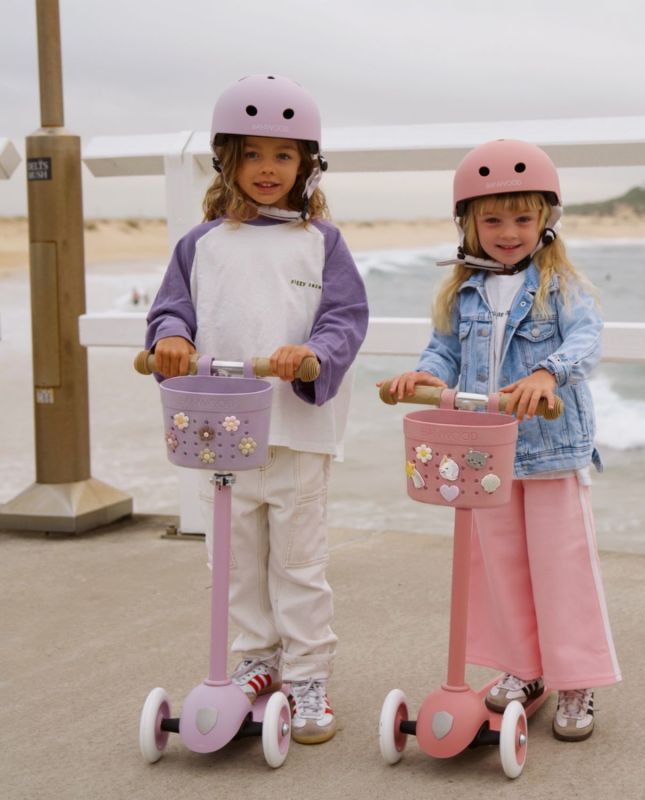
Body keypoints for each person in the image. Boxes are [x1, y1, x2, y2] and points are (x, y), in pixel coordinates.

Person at [145, 74, 369, 745]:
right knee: (235, 561)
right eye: (251, 154)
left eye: (282, 155)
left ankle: (306, 673)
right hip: (221, 432)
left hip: (297, 432)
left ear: (306, 165)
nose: (266, 169)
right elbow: (170, 309)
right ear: (226, 162)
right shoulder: (201, 244)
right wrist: (170, 337)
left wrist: (314, 356)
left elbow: (346, 317)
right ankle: (255, 660)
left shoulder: (320, 242)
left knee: (299, 562)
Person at [382, 139, 620, 742]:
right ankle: (523, 669)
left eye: (522, 217)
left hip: (549, 450)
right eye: (492, 219)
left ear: (546, 220)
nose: (508, 231)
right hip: (483, 450)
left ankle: (575, 680)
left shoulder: (559, 284)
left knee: (561, 567)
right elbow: (443, 349)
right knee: (498, 566)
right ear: (468, 223)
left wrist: (549, 373)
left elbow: (586, 340)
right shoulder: (463, 290)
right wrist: (425, 374)